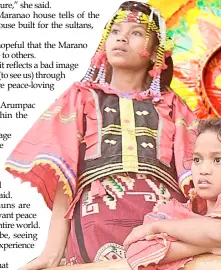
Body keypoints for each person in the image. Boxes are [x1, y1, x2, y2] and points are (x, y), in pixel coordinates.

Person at [3, 2, 197, 268]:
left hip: (163, 224)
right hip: (94, 222)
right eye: (115, 31)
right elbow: (65, 179)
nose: (122, 37)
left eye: (136, 33)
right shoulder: (80, 98)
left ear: (156, 54)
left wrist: (214, 238)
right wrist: (51, 252)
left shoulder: (174, 107)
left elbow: (199, 179)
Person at [123, 118, 221, 269]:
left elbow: (219, 233)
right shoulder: (175, 212)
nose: (203, 170)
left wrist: (156, 227)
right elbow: (137, 252)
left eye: (217, 160)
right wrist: (208, 249)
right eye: (197, 159)